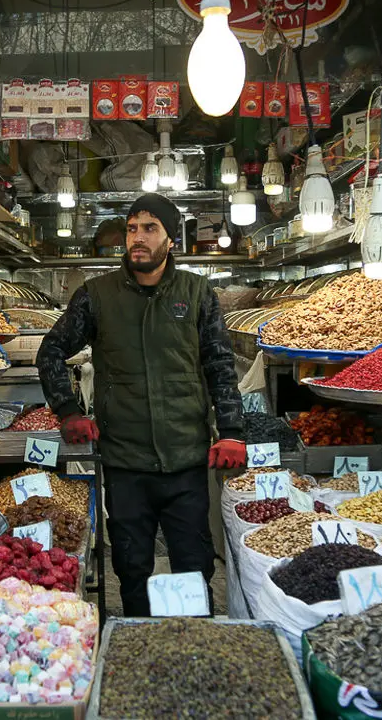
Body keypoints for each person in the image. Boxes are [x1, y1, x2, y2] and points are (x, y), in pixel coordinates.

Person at [36, 193, 246, 616]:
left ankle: (195, 640)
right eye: (132, 228)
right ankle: (133, 638)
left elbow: (220, 365)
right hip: (125, 460)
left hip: (185, 457)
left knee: (193, 565)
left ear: (171, 239)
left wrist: (233, 432)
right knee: (131, 566)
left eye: (150, 229)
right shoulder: (96, 295)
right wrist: (68, 409)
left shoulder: (198, 293)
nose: (138, 237)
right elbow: (51, 351)